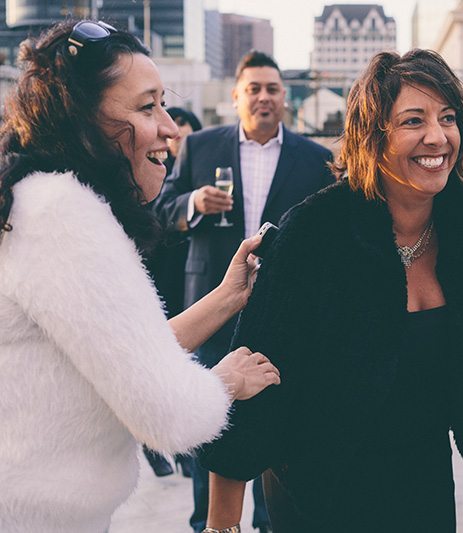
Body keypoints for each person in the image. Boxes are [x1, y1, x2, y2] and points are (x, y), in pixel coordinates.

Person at [197, 49, 463, 533]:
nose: (437, 136)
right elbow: (255, 375)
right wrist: (223, 525)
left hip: (422, 480)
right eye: (414, 120)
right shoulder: (315, 230)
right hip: (313, 484)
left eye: (448, 118)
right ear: (373, 137)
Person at [0, 20, 280, 532]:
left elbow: (125, 355)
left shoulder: (40, 201)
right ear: (82, 119)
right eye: (146, 107)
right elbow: (167, 414)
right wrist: (229, 380)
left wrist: (228, 295)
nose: (170, 128)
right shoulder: (63, 215)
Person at [154, 50, 334, 533]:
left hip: (283, 318)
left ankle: (267, 525)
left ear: (284, 99)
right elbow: (161, 210)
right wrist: (193, 203)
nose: (263, 96)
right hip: (210, 310)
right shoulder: (200, 147)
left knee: (276, 433)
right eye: (253, 88)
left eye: (272, 89)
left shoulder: (317, 159)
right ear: (236, 97)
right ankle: (206, 525)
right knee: (206, 432)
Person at [142, 106, 204, 479]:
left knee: (185, 360)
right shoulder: (151, 175)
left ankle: (182, 445)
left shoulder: (200, 170)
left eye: (183, 126)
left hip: (190, 277)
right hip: (159, 274)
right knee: (159, 360)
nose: (175, 132)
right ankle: (154, 445)